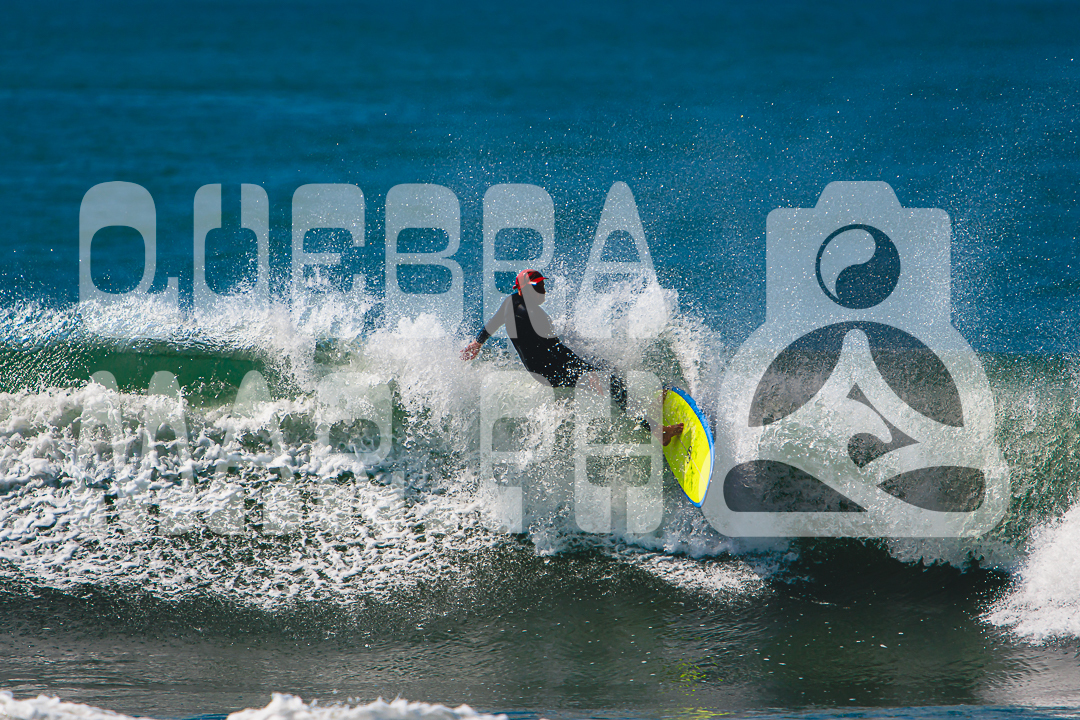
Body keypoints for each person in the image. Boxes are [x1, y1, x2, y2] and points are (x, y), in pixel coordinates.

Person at [462, 269, 682, 445]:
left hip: (541, 367)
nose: (544, 290)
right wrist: (588, 373)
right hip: (550, 371)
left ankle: (643, 409)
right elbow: (559, 351)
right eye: (538, 287)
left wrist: (477, 343)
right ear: (525, 290)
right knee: (611, 383)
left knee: (607, 369)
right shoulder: (534, 316)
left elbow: (494, 322)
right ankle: (658, 431)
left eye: (543, 285)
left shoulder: (511, 302)